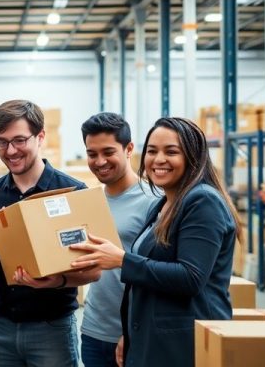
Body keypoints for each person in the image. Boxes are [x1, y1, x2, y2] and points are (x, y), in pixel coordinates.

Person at [70, 117, 240, 367]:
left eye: (171, 151)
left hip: (181, 344)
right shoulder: (164, 205)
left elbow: (191, 277)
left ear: (193, 156)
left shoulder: (203, 201)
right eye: (152, 151)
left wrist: (121, 260)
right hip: (152, 340)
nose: (158, 159)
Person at [0, 100, 101, 367]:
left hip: (51, 327)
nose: (10, 150)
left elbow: (93, 271)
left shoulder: (71, 191)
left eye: (19, 140)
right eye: (1, 142)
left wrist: (56, 281)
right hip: (1, 326)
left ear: (40, 136)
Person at [78, 113, 157, 367]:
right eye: (92, 154)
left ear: (129, 149)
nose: (99, 161)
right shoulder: (90, 203)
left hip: (133, 333)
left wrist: (135, 329)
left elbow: (157, 273)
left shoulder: (154, 201)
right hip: (92, 329)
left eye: (108, 152)